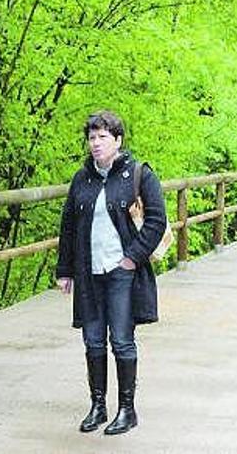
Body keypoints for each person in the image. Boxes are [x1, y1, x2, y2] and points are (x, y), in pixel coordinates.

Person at [56, 110, 167, 435]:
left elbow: (157, 221)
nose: (96, 143)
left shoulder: (139, 174)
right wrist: (65, 270)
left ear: (117, 140)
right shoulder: (82, 178)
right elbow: (68, 227)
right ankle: (98, 406)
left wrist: (132, 258)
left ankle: (127, 410)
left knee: (121, 340)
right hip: (89, 272)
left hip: (121, 272)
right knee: (92, 342)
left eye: (103, 137)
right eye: (92, 137)